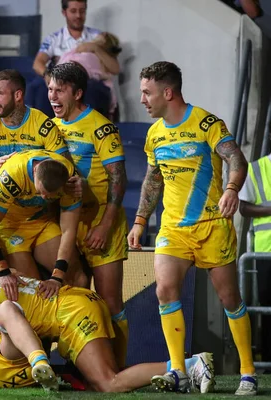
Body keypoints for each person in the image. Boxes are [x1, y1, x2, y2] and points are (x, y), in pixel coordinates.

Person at [126, 61, 255, 395]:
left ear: (167, 92)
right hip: (174, 228)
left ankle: (248, 373)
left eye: (147, 92)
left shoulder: (207, 123)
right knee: (165, 290)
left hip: (213, 226)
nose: (142, 99)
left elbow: (236, 159)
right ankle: (179, 371)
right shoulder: (154, 134)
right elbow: (153, 180)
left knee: (230, 298)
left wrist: (231, 189)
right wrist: (140, 221)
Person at [0, 275, 216, 394]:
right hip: (77, 297)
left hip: (73, 314)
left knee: (108, 383)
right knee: (104, 380)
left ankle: (191, 365)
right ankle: (180, 375)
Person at [48, 62, 129, 368]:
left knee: (110, 304)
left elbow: (119, 178)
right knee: (78, 301)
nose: (53, 96)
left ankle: (117, 371)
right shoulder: (50, 127)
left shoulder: (100, 126)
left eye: (61, 90)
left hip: (101, 226)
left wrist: (106, 225)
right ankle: (83, 368)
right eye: (51, 89)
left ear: (78, 93)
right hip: (69, 227)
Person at [0, 150, 82, 302]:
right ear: (34, 172)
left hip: (41, 222)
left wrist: (57, 277)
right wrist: (2, 271)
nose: (44, 197)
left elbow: (68, 230)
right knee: (33, 293)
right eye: (41, 192)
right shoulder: (12, 176)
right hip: (10, 227)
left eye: (50, 196)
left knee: (77, 278)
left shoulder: (69, 179)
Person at [0, 69, 69, 183]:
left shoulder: (42, 124)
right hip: (1, 197)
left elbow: (66, 166)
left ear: (17, 95)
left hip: (39, 196)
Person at [239, 150, 271, 366]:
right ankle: (269, 361)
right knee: (268, 307)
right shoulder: (257, 168)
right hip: (265, 250)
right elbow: (243, 207)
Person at [33, 0, 119, 78]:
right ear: (64, 13)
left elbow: (115, 69)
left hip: (90, 85)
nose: (78, 15)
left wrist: (95, 48)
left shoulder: (99, 37)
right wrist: (48, 75)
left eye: (82, 11)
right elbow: (38, 63)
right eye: (73, 11)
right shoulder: (53, 39)